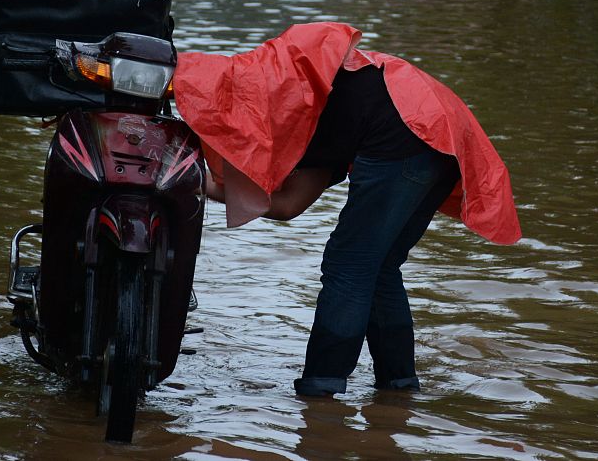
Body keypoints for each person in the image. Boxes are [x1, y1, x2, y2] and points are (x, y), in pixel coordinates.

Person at [172, 22, 522, 397]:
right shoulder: (317, 106)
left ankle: (321, 386)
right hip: (441, 131)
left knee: (348, 264)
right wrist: (200, 183)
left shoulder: (298, 101)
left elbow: (305, 50)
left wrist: (191, 180)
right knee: (380, 265)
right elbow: (290, 205)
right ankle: (398, 387)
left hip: (412, 123)